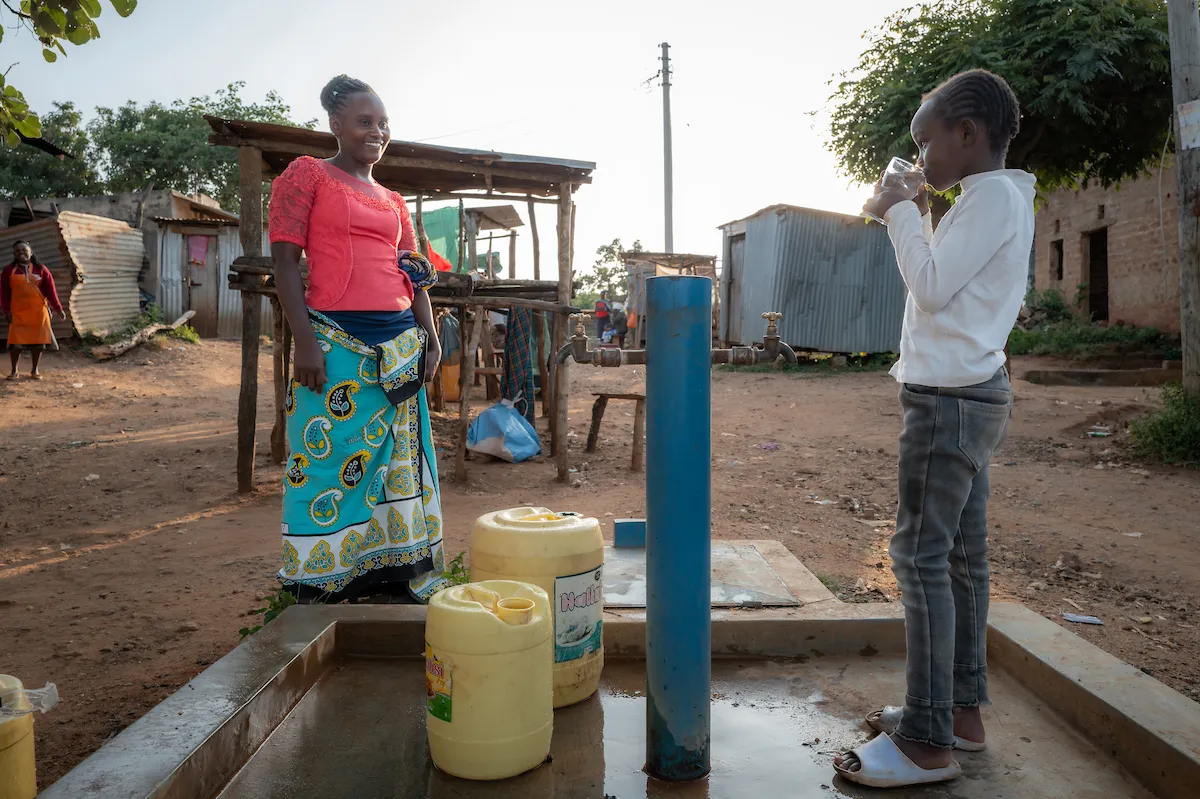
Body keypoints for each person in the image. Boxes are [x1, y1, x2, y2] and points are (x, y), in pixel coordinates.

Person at [834, 69, 1034, 788]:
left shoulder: (986, 200)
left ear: (968, 134)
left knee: (919, 557)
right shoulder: (1000, 198)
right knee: (960, 557)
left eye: (926, 143)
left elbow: (933, 286)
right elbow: (951, 289)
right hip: (972, 391)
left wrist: (897, 209)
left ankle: (926, 741)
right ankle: (959, 712)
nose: (920, 161)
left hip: (947, 399)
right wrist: (914, 209)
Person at [268, 75, 449, 605]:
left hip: (401, 345)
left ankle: (393, 574)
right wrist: (303, 340)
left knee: (399, 462)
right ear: (336, 125)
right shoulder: (307, 176)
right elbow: (284, 263)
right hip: (336, 340)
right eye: (365, 122)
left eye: (383, 124)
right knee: (327, 459)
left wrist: (431, 338)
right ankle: (321, 581)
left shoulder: (394, 200)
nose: (377, 132)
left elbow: (413, 274)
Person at [2, 240, 66, 380]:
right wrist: (7, 311)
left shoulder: (41, 269)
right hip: (18, 312)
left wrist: (58, 309)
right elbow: (4, 293)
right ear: (14, 254)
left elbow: (51, 291)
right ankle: (14, 371)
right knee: (15, 344)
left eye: (24, 250)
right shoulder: (8, 270)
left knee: (38, 343)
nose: (21, 253)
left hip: (38, 312)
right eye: (18, 251)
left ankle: (34, 370)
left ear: (31, 252)